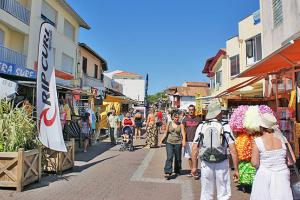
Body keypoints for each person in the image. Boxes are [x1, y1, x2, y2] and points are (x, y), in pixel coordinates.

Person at [191, 99, 239, 200]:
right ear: (219, 113)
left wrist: (194, 167)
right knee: (223, 191)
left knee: (206, 191)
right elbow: (233, 151)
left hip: (206, 162)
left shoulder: (202, 126)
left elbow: (195, 148)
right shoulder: (225, 126)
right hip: (222, 162)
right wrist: (236, 169)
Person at [250, 113, 295, 200]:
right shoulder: (283, 139)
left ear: (262, 126)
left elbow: (255, 163)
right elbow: (292, 160)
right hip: (282, 174)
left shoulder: (258, 141)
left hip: (264, 174)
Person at [159, 111, 186, 180]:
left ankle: (177, 170)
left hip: (178, 143)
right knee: (169, 157)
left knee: (177, 158)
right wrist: (161, 140)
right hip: (169, 142)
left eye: (178, 117)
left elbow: (183, 134)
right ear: (172, 117)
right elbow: (165, 132)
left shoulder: (181, 125)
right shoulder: (169, 123)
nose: (177, 118)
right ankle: (168, 171)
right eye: (175, 117)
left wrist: (183, 142)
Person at [182, 104, 202, 178]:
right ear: (188, 110)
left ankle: (195, 171)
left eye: (192, 110)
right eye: (190, 110)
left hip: (196, 142)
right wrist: (183, 140)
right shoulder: (185, 119)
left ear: (194, 110)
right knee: (189, 157)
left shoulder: (198, 119)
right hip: (188, 140)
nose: (191, 111)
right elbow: (183, 130)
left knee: (195, 157)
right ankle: (191, 171)